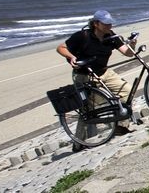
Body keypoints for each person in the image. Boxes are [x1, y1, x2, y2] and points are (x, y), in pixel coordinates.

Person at [56, 10, 136, 151]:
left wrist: (132, 44)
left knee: (127, 92)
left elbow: (127, 53)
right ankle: (79, 142)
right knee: (88, 111)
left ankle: (121, 127)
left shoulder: (111, 36)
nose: (109, 26)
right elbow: (61, 48)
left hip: (104, 72)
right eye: (106, 24)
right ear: (96, 24)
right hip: (84, 76)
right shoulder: (83, 36)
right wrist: (71, 56)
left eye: (110, 23)